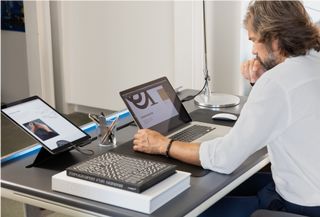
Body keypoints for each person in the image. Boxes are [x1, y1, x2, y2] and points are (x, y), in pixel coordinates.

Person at [133, 0, 320, 216]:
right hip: (306, 188)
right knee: (225, 185)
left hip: (301, 205)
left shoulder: (278, 81)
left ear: (274, 40)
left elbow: (225, 158)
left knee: (186, 210)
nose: (253, 50)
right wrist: (263, 80)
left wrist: (163, 145)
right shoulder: (312, 61)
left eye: (255, 41)